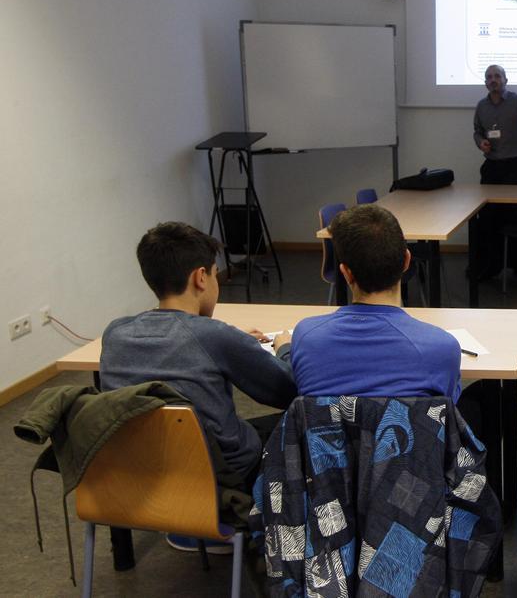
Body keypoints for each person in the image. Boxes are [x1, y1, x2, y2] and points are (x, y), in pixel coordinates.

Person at [100, 222, 296, 545]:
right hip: (220, 476)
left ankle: (182, 523)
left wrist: (233, 342)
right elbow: (286, 389)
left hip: (136, 472)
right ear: (200, 277)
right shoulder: (213, 336)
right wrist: (283, 348)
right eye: (215, 274)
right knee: (299, 421)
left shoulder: (115, 334)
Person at [290, 204, 461, 400]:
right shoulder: (442, 346)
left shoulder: (306, 337)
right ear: (406, 261)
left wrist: (285, 349)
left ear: (346, 273)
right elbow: (447, 411)